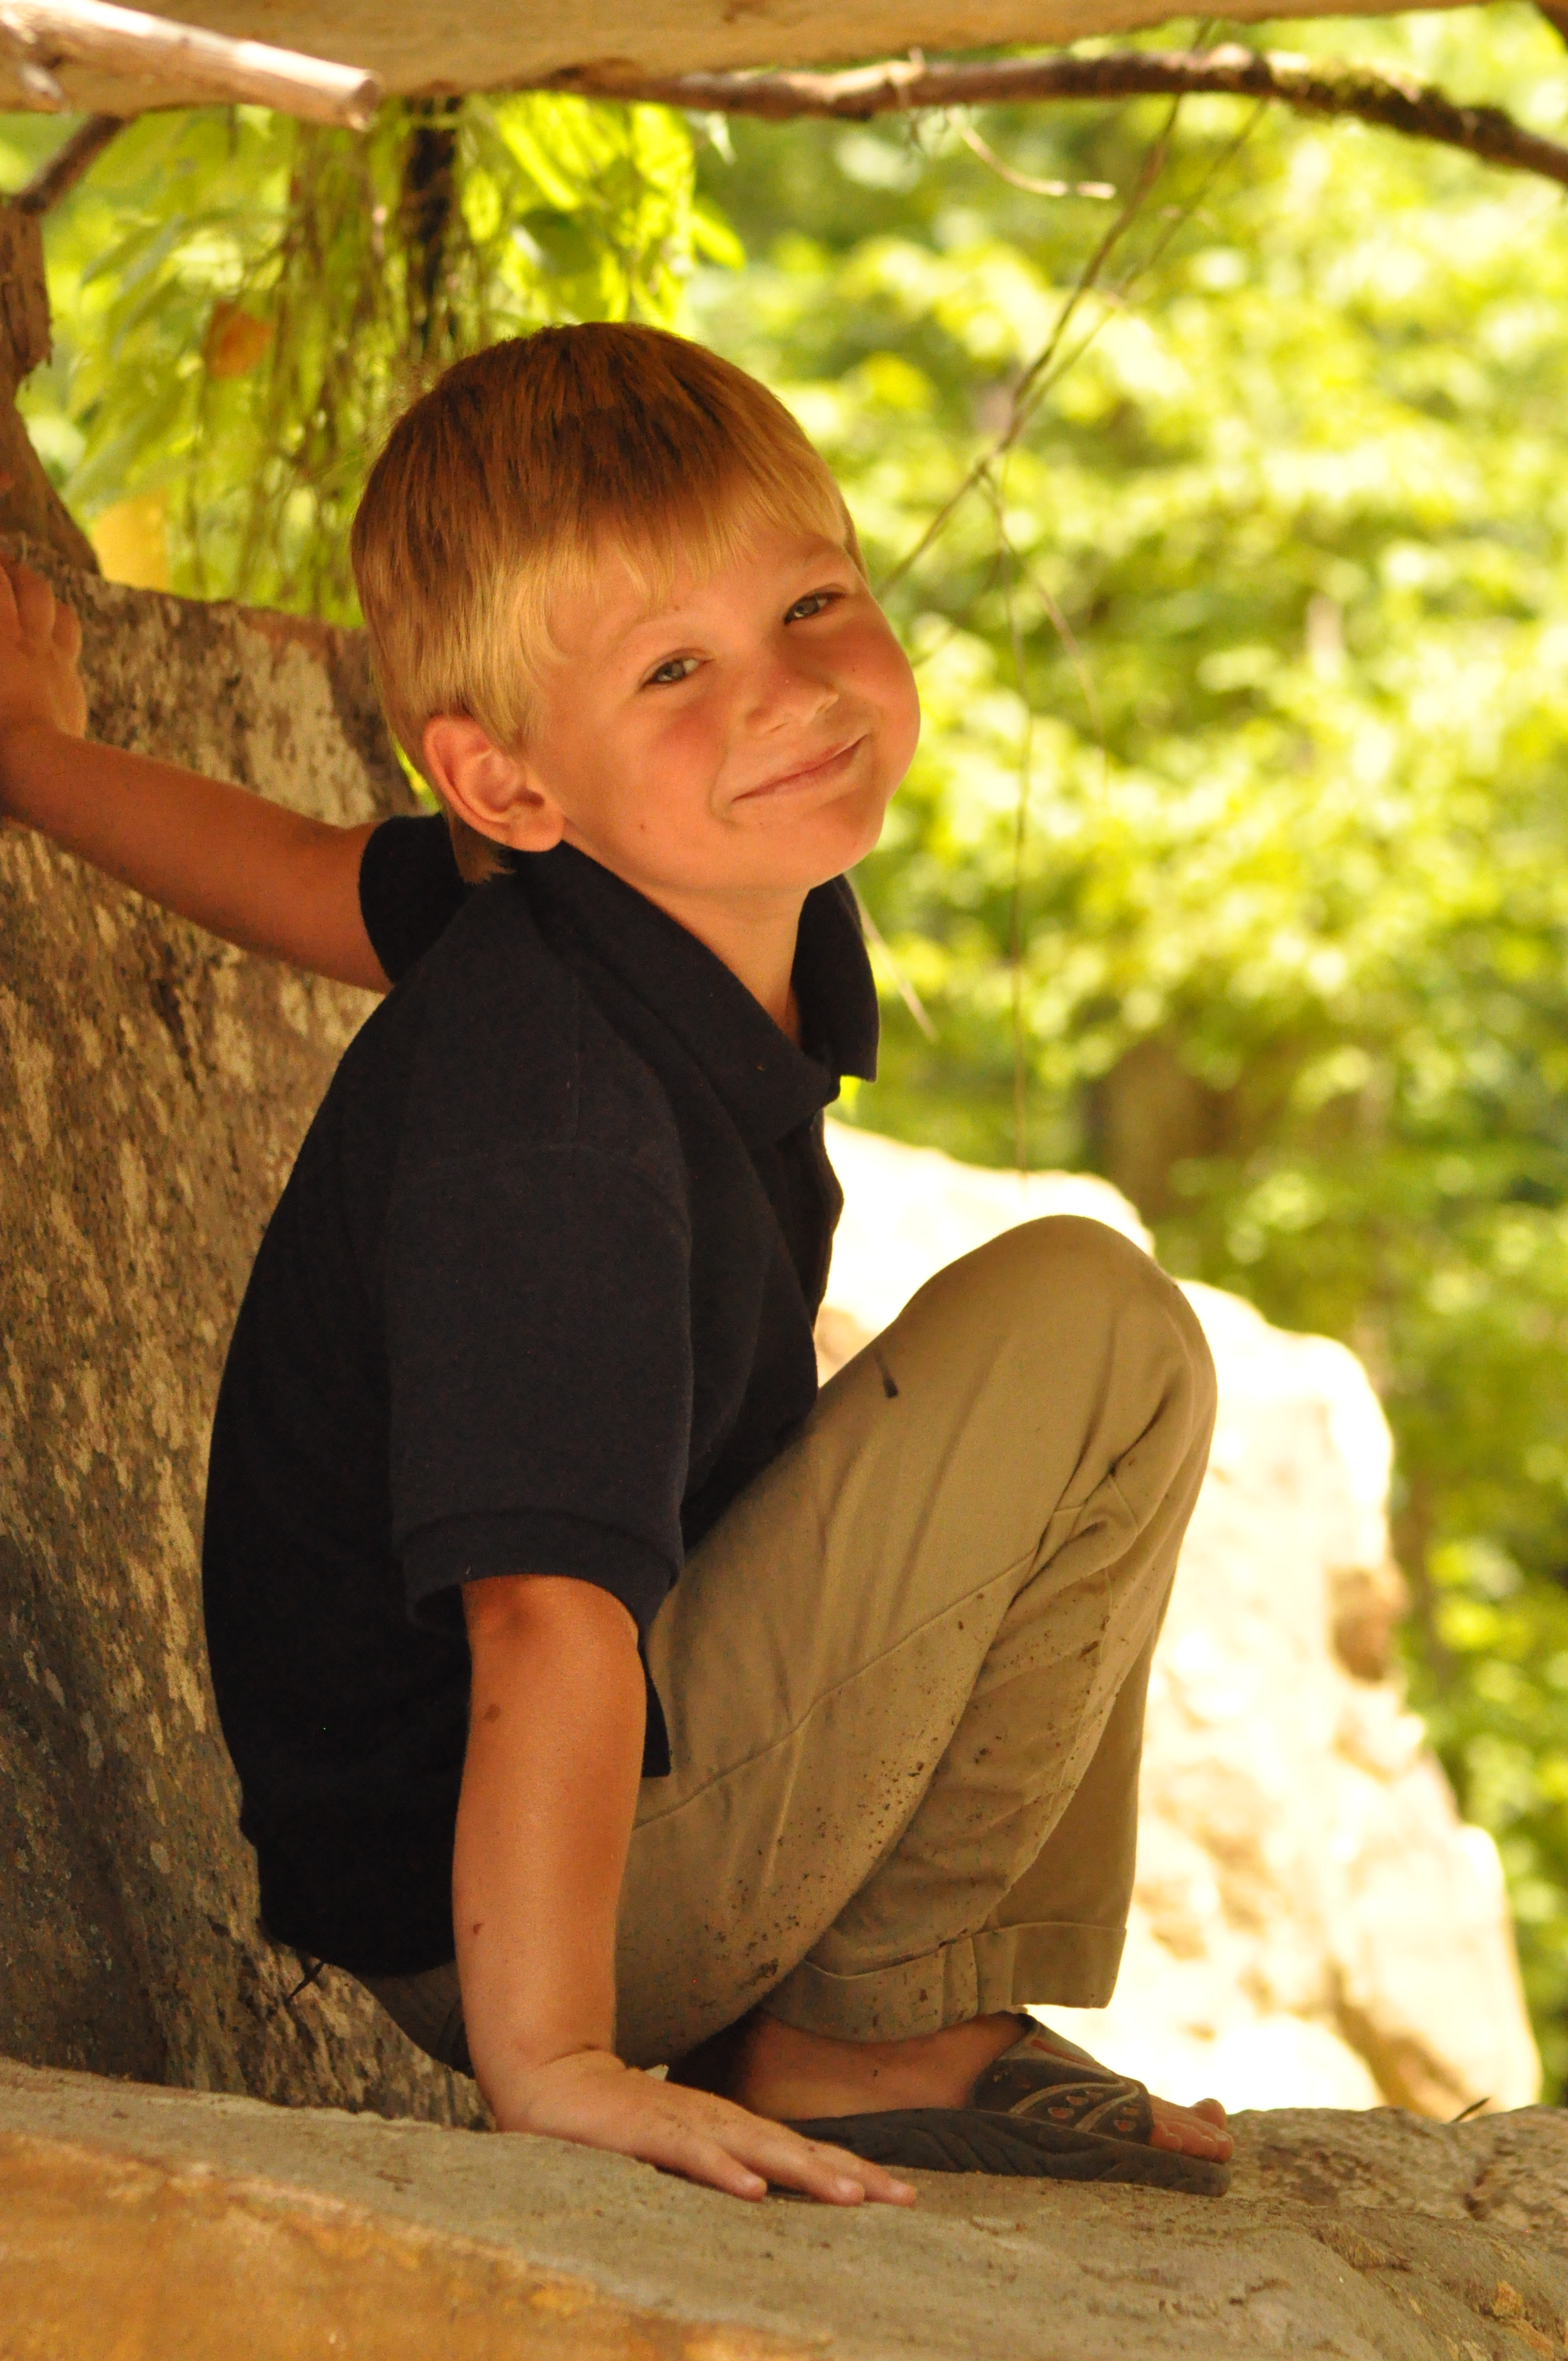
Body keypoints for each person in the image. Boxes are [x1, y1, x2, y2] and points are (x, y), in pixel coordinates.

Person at [0, 323, 1231, 2207]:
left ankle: (889, 2017)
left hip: (589, 1810)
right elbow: (541, 1613)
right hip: (523, 1888)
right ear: (510, 786)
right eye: (678, 668)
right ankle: (864, 2036)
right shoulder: (552, 1107)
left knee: (1073, 1330)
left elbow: (320, 879)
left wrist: (33, 762)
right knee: (1088, 1331)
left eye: (815, 601)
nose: (794, 695)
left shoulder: (627, 898)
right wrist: (561, 2068)